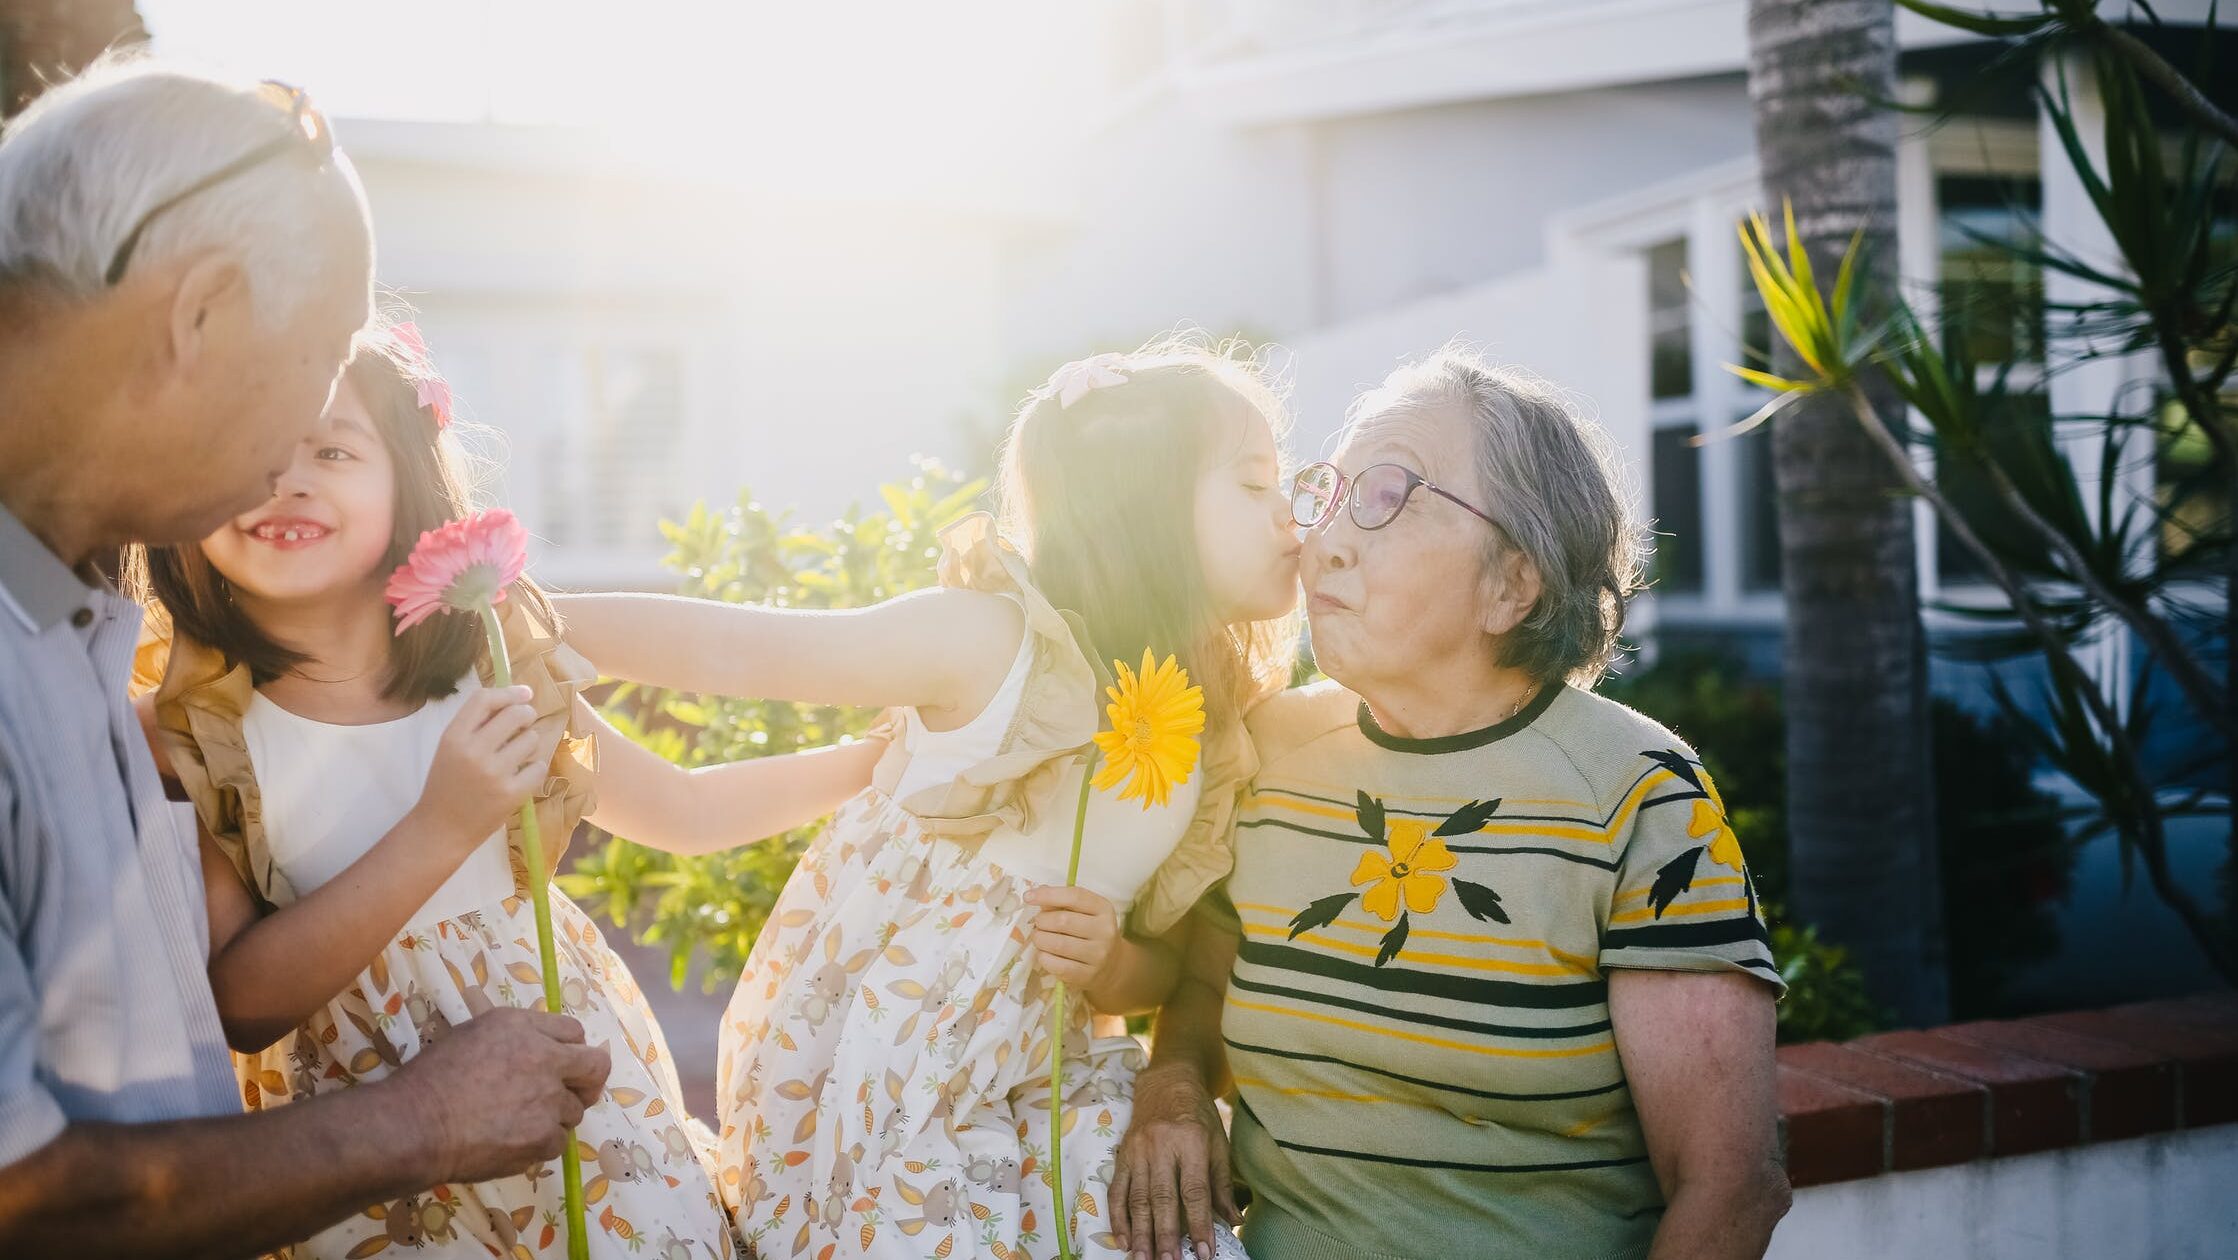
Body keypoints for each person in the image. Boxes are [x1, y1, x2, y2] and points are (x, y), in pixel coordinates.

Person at [0, 58, 609, 1258]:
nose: (302, 447)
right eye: (324, 355)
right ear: (200, 315)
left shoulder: (72, 624)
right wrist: (424, 1122)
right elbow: (21, 1199)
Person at [134, 325, 889, 1257]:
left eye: (331, 451)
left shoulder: (489, 664)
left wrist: (873, 763)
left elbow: (683, 807)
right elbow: (242, 1004)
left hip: (573, 1098)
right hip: (372, 1150)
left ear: (406, 481)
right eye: (249, 447)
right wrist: (444, 824)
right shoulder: (189, 730)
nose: (286, 480)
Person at [551, 339, 1303, 1258]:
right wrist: (540, 622)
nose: (1291, 512)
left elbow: (1164, 966)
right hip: (896, 1082)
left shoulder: (1214, 722)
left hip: (1053, 1077)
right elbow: (751, 652)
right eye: (1255, 483)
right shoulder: (994, 644)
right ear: (1145, 506)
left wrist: (1111, 963)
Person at [1110, 350, 1790, 1260]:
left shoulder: (1639, 796)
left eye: (1387, 496)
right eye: (1332, 494)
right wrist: (1175, 1088)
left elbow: (1731, 1187)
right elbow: (1202, 983)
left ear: (1512, 582)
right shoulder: (1265, 751)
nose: (1324, 542)